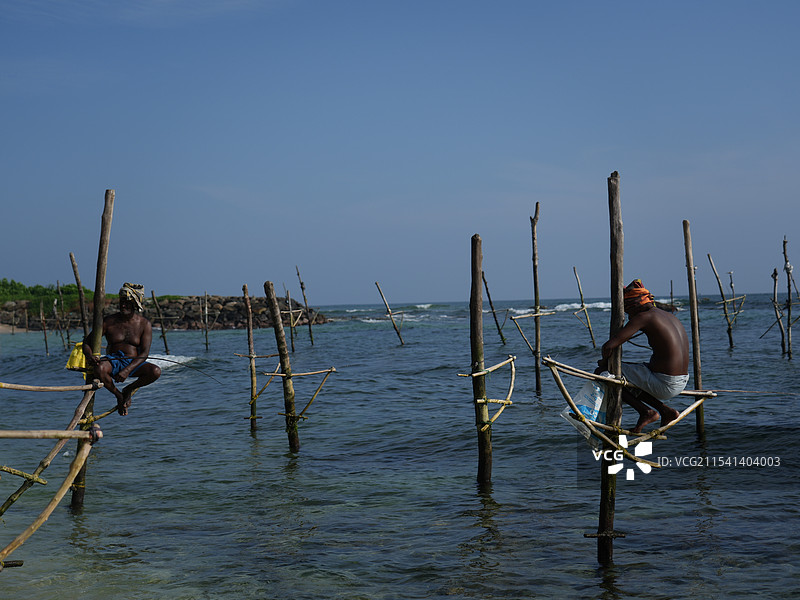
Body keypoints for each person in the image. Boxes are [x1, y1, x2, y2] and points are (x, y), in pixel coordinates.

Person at [596, 279, 690, 433]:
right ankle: (665, 411)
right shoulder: (669, 316)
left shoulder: (644, 317)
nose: (628, 316)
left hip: (664, 383)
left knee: (602, 373)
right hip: (682, 380)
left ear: (634, 305)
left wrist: (604, 363)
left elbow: (608, 346)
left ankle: (646, 412)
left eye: (627, 311)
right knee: (629, 374)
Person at [82, 283, 161, 415]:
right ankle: (119, 395)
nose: (123, 305)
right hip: (113, 361)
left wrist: (126, 370)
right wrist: (90, 356)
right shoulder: (108, 321)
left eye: (127, 302)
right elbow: (86, 343)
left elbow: (144, 353)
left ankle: (128, 389)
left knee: (155, 371)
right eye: (122, 302)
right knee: (99, 368)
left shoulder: (144, 324)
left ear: (135, 304)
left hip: (133, 362)